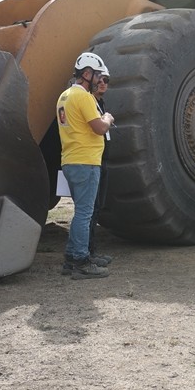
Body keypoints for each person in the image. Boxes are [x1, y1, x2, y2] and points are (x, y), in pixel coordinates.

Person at [56, 52, 116, 279]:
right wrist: (108, 118)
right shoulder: (84, 98)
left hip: (70, 160)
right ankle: (81, 261)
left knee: (79, 212)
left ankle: (71, 258)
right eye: (97, 75)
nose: (99, 80)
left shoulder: (64, 96)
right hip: (86, 162)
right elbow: (99, 128)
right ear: (87, 73)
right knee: (84, 213)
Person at [88, 64, 114, 268]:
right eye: (101, 80)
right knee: (89, 210)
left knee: (96, 208)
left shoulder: (100, 104)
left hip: (101, 160)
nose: (104, 83)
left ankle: (90, 251)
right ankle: (88, 253)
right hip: (90, 161)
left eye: (107, 80)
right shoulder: (90, 104)